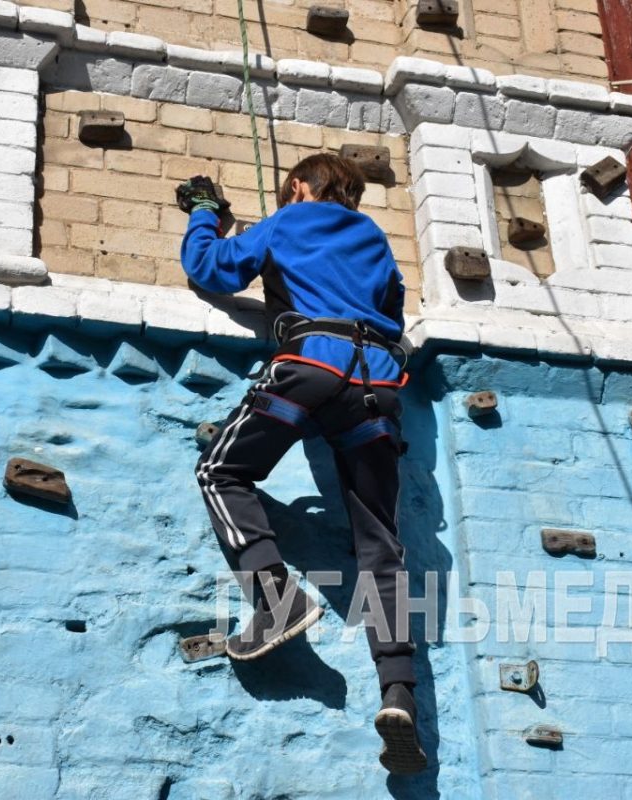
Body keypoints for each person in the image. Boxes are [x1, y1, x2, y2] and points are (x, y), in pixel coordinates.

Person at [176, 154, 427, 775]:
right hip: (380, 387)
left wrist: (205, 214)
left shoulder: (291, 220)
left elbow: (212, 270)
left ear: (297, 186)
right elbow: (393, 308)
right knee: (381, 547)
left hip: (312, 365)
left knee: (222, 472)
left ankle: (275, 597)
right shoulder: (375, 239)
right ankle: (398, 695)